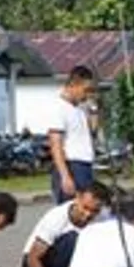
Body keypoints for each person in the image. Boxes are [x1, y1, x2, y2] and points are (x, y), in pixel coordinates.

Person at [22, 182, 112, 267]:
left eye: (94, 211)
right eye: (85, 208)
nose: (88, 215)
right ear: (77, 198)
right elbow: (32, 259)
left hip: (69, 262)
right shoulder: (56, 218)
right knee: (72, 239)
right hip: (37, 265)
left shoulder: (103, 217)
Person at [45, 66, 97, 205]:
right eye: (85, 90)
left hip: (85, 165)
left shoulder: (80, 109)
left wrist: (94, 111)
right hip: (71, 166)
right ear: (73, 85)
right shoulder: (59, 108)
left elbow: (93, 132)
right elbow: (56, 145)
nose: (87, 95)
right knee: (71, 212)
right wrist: (65, 176)